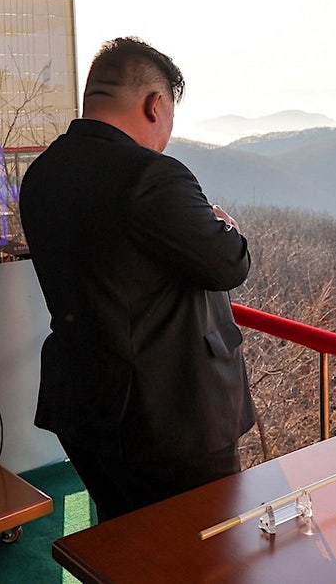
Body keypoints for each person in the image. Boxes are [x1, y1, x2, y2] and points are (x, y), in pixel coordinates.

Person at [20, 37, 254, 521]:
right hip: (170, 415)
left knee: (123, 537)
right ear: (155, 104)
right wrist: (225, 225)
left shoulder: (43, 174)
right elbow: (229, 264)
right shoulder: (152, 177)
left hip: (85, 400)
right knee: (202, 548)